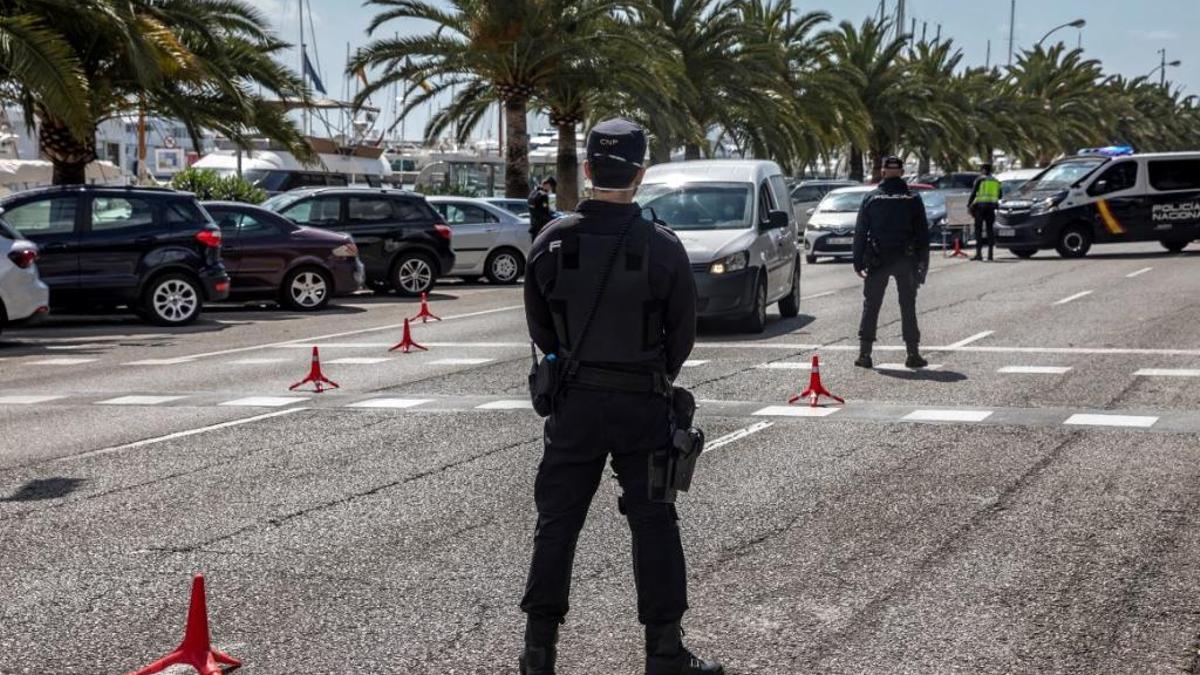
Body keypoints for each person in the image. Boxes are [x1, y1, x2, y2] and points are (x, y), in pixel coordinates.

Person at [520, 118, 723, 675]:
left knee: (557, 524)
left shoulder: (551, 241)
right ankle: (665, 653)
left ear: (587, 169)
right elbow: (682, 336)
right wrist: (647, 373)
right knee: (654, 523)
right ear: (640, 173)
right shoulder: (662, 247)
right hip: (641, 403)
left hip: (575, 406)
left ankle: (539, 653)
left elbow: (542, 331)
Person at [852, 156, 930, 370]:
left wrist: (857, 262)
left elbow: (860, 232)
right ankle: (912, 354)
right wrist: (924, 264)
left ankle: (864, 355)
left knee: (871, 306)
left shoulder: (872, 198)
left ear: (883, 171)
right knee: (908, 306)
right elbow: (923, 234)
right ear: (902, 172)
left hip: (878, 260)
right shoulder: (913, 199)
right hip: (906, 259)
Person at [967, 163, 1002, 261]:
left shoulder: (980, 179)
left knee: (978, 230)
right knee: (990, 230)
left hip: (980, 207)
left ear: (984, 170)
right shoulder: (996, 181)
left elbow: (973, 193)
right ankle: (990, 254)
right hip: (991, 207)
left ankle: (979, 254)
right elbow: (1000, 196)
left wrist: (969, 205)